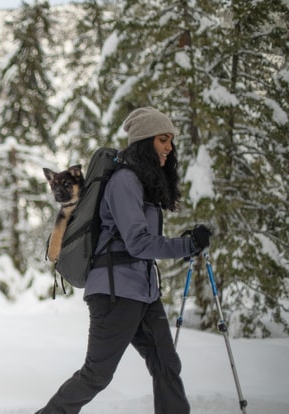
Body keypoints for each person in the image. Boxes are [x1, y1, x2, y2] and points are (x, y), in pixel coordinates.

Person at [35, 107, 211, 414]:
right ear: (145, 141)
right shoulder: (125, 181)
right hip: (115, 292)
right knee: (97, 375)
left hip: (142, 291)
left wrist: (186, 243)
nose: (169, 146)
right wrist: (186, 245)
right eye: (162, 139)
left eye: (170, 140)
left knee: (167, 364)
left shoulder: (142, 182)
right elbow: (139, 242)